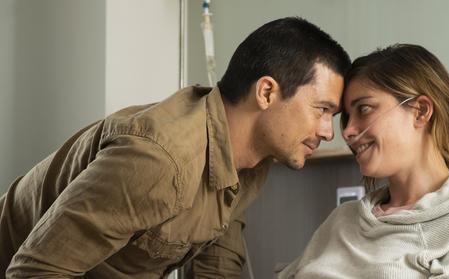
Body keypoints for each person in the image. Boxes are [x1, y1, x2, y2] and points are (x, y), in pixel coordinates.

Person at [0, 17, 350, 278]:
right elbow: (34, 272)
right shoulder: (161, 160)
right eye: (323, 110)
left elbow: (216, 266)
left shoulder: (249, 162)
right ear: (266, 93)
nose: (327, 131)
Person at [277, 44, 449, 278]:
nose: (347, 131)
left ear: (421, 111)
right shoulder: (342, 220)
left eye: (364, 109)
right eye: (347, 117)